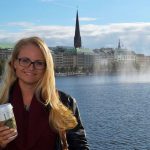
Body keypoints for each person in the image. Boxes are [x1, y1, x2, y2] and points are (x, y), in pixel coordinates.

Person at [0, 37, 89, 150]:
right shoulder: (1, 101)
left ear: (46, 68)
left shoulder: (65, 102)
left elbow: (79, 146)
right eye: (25, 60)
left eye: (39, 63)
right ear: (14, 64)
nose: (31, 67)